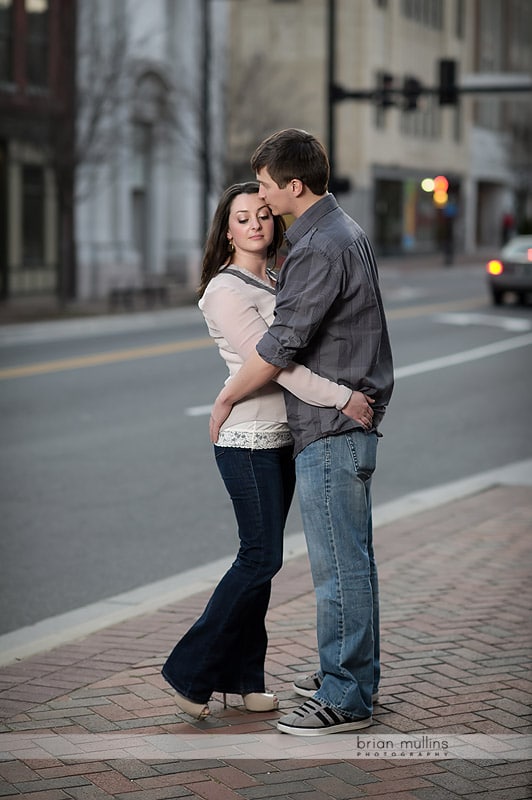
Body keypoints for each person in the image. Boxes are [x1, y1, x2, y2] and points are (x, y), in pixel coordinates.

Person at [161, 181, 373, 720]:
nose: (255, 224)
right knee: (261, 557)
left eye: (262, 214)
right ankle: (190, 672)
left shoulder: (277, 279)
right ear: (225, 230)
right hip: (248, 440)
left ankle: (244, 677)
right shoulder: (224, 291)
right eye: (242, 218)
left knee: (262, 564)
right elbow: (275, 361)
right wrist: (341, 397)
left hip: (284, 438)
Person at [209, 130, 394, 736]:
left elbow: (282, 344)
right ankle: (349, 673)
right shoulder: (343, 231)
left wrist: (230, 393)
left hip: (332, 426)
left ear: (293, 186)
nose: (261, 199)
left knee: (339, 567)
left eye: (264, 186)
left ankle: (345, 696)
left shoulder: (317, 247)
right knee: (354, 560)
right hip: (345, 421)